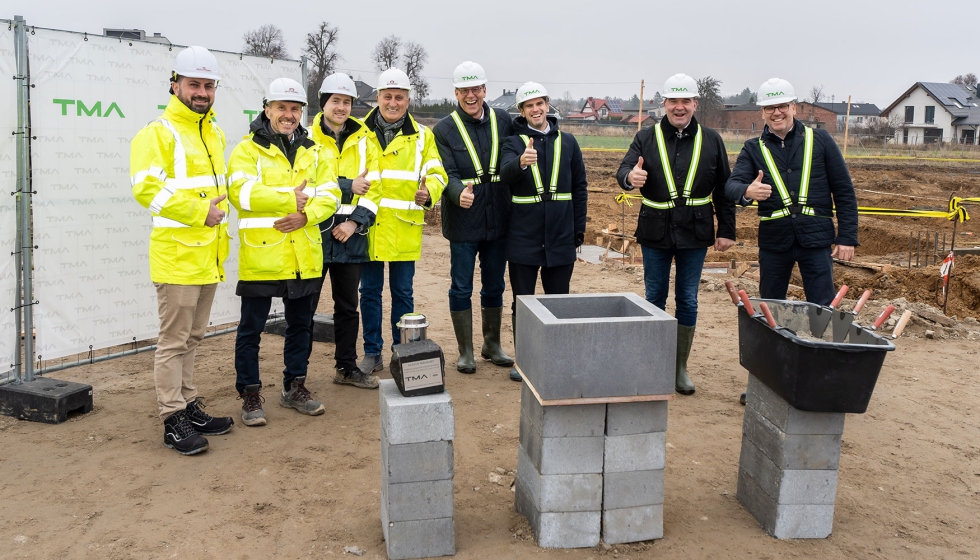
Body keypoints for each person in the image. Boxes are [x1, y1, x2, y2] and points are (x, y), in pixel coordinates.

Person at [725, 77, 858, 404]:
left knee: (823, 310)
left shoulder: (821, 140)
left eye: (782, 106)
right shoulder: (753, 149)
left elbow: (844, 191)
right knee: (770, 311)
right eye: (770, 108)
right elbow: (730, 187)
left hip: (815, 240)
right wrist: (747, 191)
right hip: (775, 243)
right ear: (763, 112)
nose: (777, 112)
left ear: (794, 107)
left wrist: (847, 237)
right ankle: (766, 381)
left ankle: (828, 381)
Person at [131, 46, 234, 455]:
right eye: (194, 84)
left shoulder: (213, 132)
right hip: (176, 257)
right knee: (174, 341)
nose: (202, 92)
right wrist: (197, 212)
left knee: (193, 337)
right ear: (175, 85)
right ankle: (172, 417)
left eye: (209, 85)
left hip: (207, 255)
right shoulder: (156, 133)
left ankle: (189, 405)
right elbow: (146, 189)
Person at [616, 73, 736, 396]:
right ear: (664, 104)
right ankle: (651, 362)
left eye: (685, 102)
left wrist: (726, 230)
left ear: (695, 104)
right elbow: (623, 171)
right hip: (656, 229)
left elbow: (724, 189)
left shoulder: (712, 140)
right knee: (654, 295)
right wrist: (632, 177)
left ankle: (678, 367)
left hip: (695, 232)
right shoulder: (646, 137)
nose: (679, 108)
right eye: (673, 102)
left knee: (687, 298)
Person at [227, 78, 337, 426]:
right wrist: (288, 199)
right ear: (267, 109)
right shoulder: (248, 149)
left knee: (301, 325)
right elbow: (240, 193)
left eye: (294, 109)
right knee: (251, 329)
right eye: (282, 108)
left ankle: (295, 386)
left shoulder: (314, 150)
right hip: (262, 255)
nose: (288, 115)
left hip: (303, 252)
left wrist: (306, 215)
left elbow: (331, 195)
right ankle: (249, 394)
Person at [357, 68, 447, 375]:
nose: (392, 103)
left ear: (408, 100)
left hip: (403, 227)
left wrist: (429, 192)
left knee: (402, 293)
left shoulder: (423, 136)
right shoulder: (358, 132)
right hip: (367, 226)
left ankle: (400, 350)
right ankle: (372, 351)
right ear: (377, 99)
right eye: (387, 97)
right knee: (368, 292)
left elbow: (437, 173)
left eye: (399, 97)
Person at [499, 82, 588, 382]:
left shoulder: (569, 142)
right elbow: (504, 175)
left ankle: (555, 358)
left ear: (548, 105)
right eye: (529, 106)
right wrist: (521, 163)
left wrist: (579, 230)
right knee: (523, 301)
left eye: (540, 104)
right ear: (522, 112)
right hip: (523, 236)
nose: (536, 109)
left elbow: (579, 188)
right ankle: (523, 361)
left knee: (558, 300)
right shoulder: (512, 142)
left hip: (561, 235)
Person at [432, 61, 515, 376]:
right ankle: (466, 351)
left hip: (499, 215)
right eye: (464, 90)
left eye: (476, 89)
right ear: (456, 92)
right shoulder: (443, 129)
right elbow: (445, 172)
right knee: (461, 285)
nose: (471, 95)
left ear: (484, 90)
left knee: (494, 284)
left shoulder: (503, 119)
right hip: (464, 219)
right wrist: (456, 193)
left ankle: (491, 345)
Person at [309, 73, 382, 389]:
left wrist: (355, 222)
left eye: (347, 102)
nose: (341, 107)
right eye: (336, 101)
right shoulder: (305, 138)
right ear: (323, 103)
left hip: (350, 238)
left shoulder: (366, 141)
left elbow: (376, 188)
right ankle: (296, 377)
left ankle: (346, 367)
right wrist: (347, 185)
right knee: (304, 309)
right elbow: (305, 184)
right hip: (314, 235)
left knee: (347, 308)